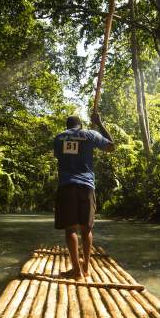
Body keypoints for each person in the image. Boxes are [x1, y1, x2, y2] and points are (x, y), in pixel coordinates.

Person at [53, 112, 114, 278]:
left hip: (67, 186)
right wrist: (99, 124)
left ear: (67, 127)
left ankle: (76, 270)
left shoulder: (59, 138)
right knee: (86, 229)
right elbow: (111, 146)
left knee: (70, 229)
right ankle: (86, 269)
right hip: (86, 186)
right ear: (80, 125)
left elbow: (60, 156)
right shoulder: (90, 134)